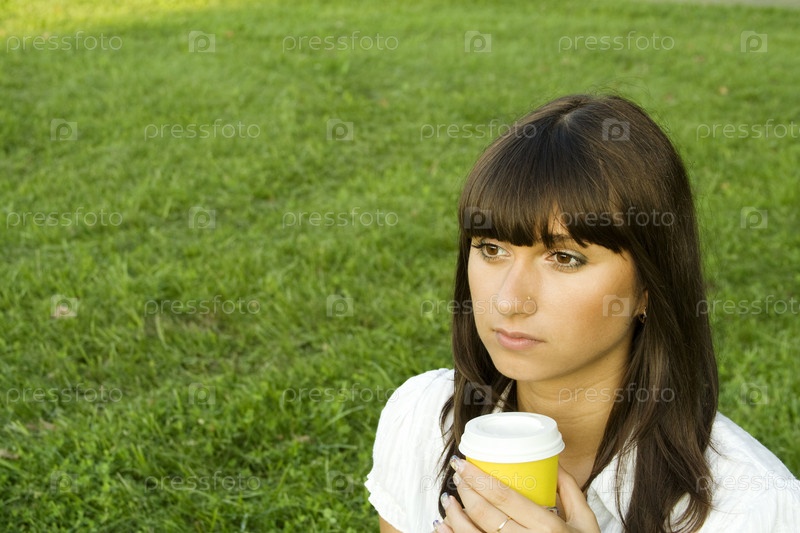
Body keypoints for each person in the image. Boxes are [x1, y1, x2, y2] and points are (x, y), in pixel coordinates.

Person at [364, 94, 800, 532]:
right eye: (492, 249)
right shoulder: (424, 420)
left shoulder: (752, 509)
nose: (509, 301)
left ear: (649, 287)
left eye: (564, 258)